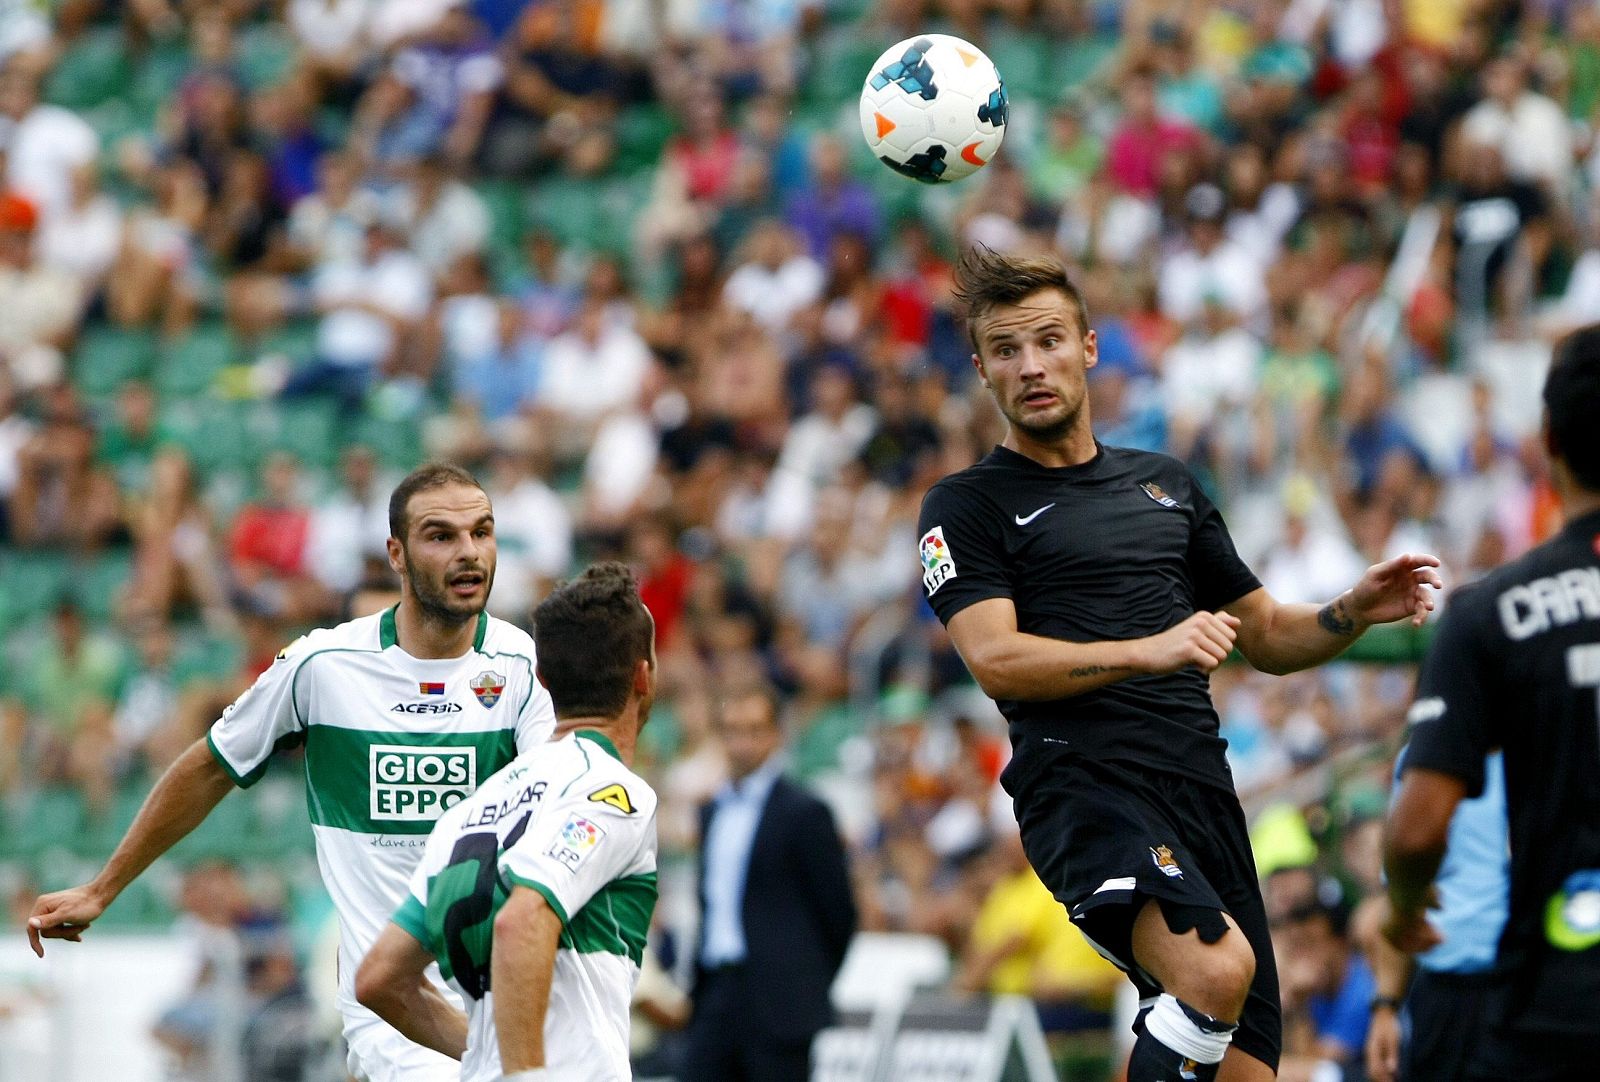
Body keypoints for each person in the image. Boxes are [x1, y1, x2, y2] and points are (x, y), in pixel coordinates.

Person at [917, 246, 1440, 1082]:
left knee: (1246, 1071)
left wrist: (1349, 611)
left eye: (1049, 341)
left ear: (1090, 347)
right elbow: (997, 661)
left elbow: (1265, 633)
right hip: (1084, 787)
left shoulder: (1166, 486)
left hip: (1200, 788)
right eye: (1006, 351)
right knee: (1213, 972)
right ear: (981, 370)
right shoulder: (965, 505)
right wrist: (1148, 650)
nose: (1031, 366)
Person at [26, 462, 558, 1082]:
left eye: (482, 532)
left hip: (503, 1009)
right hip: (395, 1022)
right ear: (397, 554)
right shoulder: (323, 666)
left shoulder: (518, 663)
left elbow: (556, 803)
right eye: (441, 536)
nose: (469, 553)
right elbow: (209, 766)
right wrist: (101, 888)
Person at [1382, 324, 1600, 1081]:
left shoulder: (1489, 613)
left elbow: (1416, 831)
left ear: (1548, 441)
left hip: (1552, 999)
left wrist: (1404, 910)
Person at [355, 561, 659, 1081]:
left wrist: (484, 1057)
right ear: (643, 675)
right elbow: (522, 922)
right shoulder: (613, 792)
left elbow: (380, 979)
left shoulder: (469, 810)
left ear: (542, 679)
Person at [681, 683, 857, 1082]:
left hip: (781, 1002)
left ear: (776, 733)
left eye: (753, 730)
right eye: (731, 730)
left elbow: (838, 911)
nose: (741, 743)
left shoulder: (804, 811)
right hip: (715, 990)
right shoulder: (712, 811)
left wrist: (804, 981)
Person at [1363, 749, 1507, 1082]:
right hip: (1445, 992)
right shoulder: (1421, 754)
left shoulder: (1560, 739)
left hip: (1532, 980)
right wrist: (1386, 1004)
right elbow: (1399, 895)